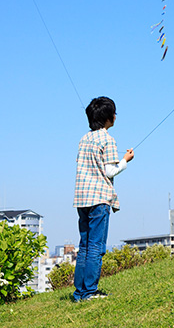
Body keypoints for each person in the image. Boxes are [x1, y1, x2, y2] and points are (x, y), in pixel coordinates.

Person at [73, 96, 134, 301]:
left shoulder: (84, 139)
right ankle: (90, 292)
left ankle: (79, 292)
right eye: (114, 113)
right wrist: (125, 161)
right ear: (109, 118)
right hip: (99, 198)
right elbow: (109, 171)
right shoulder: (107, 139)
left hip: (81, 199)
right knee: (96, 247)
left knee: (84, 245)